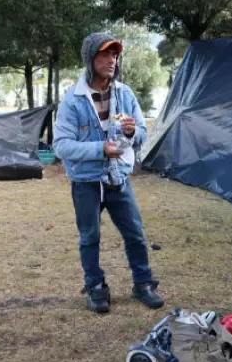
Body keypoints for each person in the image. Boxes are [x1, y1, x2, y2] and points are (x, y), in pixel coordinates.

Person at [53, 32, 164, 313]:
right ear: (90, 59)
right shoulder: (73, 101)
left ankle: (143, 284)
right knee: (89, 237)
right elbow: (61, 146)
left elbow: (141, 133)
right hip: (86, 181)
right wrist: (99, 148)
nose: (111, 60)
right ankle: (96, 286)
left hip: (118, 178)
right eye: (104, 54)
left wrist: (132, 131)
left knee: (135, 233)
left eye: (114, 55)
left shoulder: (124, 94)